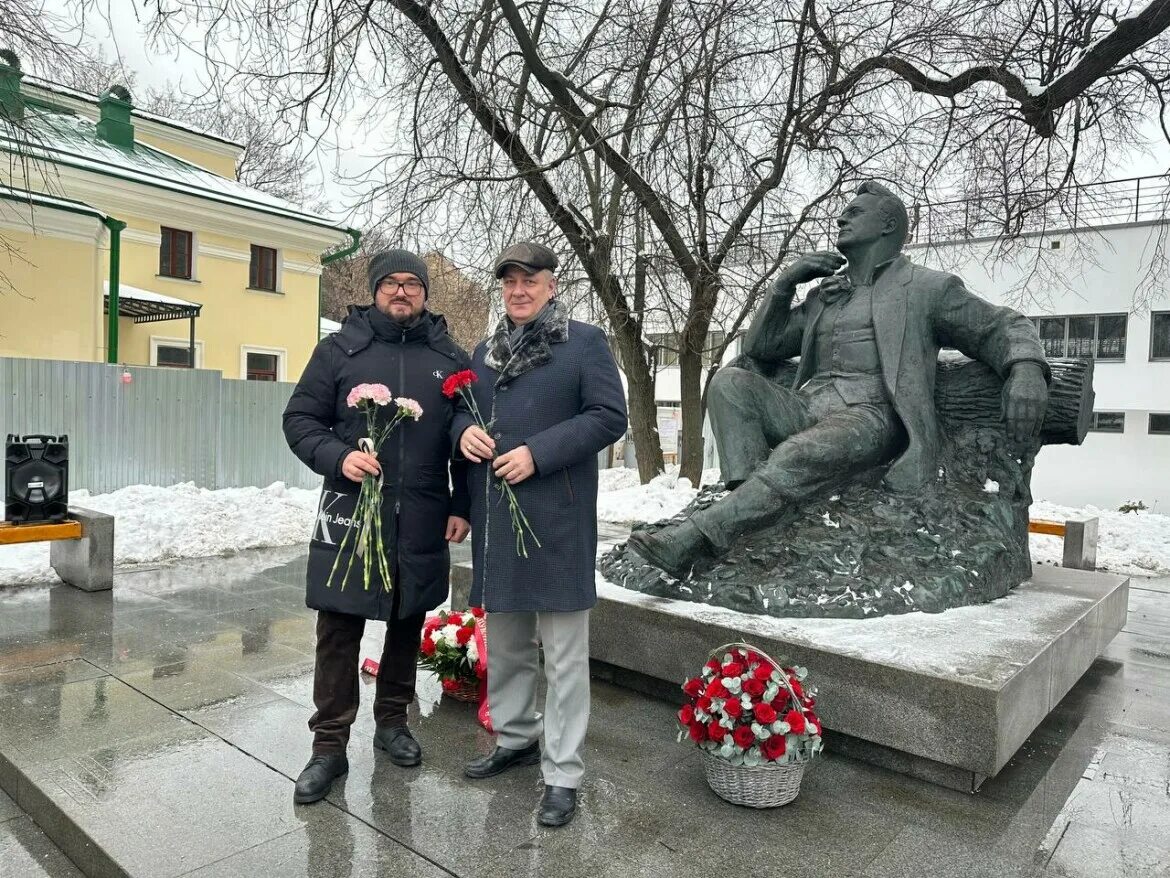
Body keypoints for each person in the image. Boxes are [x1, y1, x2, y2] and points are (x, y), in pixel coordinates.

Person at [629, 181, 1050, 579]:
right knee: (728, 383)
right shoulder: (826, 294)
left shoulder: (926, 288)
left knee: (799, 452)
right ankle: (746, 508)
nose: (840, 220)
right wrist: (784, 285)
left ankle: (696, 537)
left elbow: (999, 325)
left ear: (887, 225)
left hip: (871, 415)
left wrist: (1027, 368)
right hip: (810, 404)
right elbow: (762, 346)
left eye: (854, 213)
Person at [283, 249, 471, 804]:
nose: (402, 292)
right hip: (351, 511)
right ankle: (329, 746)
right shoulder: (339, 349)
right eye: (390, 283)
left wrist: (463, 505)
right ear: (373, 291)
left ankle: (392, 722)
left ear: (425, 294)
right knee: (338, 627)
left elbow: (465, 435)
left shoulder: (450, 356)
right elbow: (299, 420)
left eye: (413, 284)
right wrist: (338, 456)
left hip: (422, 512)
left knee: (406, 617)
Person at [453, 241, 627, 827]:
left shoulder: (583, 343)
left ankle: (563, 772)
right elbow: (464, 410)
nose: (518, 290)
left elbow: (608, 416)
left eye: (530, 280)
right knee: (505, 646)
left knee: (564, 656)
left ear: (552, 285)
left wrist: (538, 453)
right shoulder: (485, 351)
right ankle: (516, 738)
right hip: (498, 523)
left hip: (557, 521)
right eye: (509, 281)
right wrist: (462, 435)